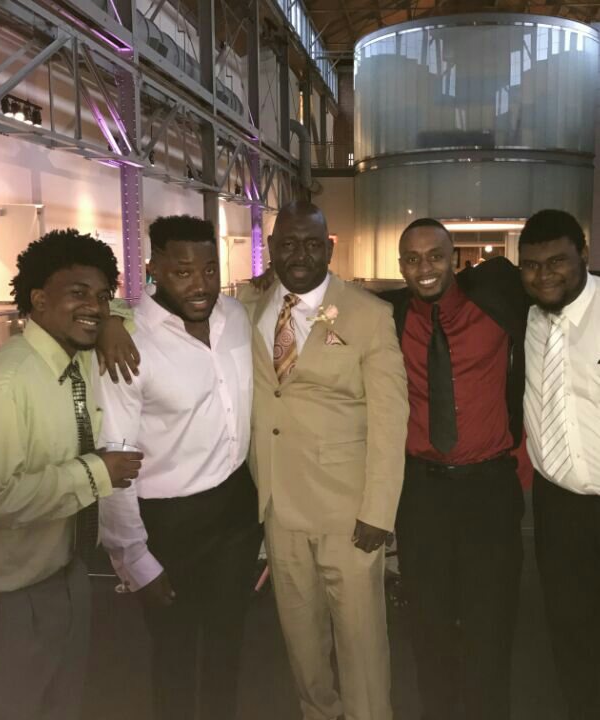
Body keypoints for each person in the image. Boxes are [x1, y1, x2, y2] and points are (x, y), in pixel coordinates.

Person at [0, 229, 142, 720]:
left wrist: (112, 319)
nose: (93, 306)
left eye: (101, 295)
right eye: (78, 293)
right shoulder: (4, 383)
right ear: (39, 300)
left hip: (63, 577)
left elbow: (127, 309)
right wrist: (93, 474)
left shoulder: (78, 356)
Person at [241, 200, 409, 720]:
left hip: (348, 512)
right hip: (279, 506)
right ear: (271, 249)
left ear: (328, 248)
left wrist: (379, 511)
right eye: (288, 244)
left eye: (312, 244)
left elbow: (390, 420)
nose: (300, 255)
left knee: (361, 640)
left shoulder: (369, 314)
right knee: (302, 640)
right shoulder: (248, 305)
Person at [96, 215, 261, 720]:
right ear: (154, 268)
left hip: (236, 509)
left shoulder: (235, 315)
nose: (201, 285)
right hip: (168, 522)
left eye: (210, 270)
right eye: (183, 272)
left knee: (228, 645)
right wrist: (134, 559)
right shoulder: (130, 342)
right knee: (173, 653)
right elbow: (114, 459)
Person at [380, 218, 528, 720]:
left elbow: (565, 282)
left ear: (454, 258)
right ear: (401, 267)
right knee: (429, 624)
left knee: (492, 623)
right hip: (423, 494)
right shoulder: (392, 316)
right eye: (413, 259)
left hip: (490, 489)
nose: (425, 268)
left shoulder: (498, 300)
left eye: (435, 256)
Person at [519, 209, 600, 720]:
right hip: (557, 506)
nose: (543, 275)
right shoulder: (525, 314)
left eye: (557, 262)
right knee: (570, 628)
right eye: (531, 265)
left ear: (583, 254)